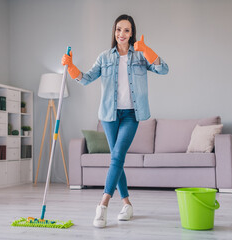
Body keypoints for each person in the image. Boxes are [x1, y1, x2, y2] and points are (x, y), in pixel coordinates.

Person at [62, 14, 169, 228]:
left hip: (132, 115)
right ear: (114, 31)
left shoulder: (139, 56)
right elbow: (86, 79)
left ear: (132, 33)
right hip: (109, 116)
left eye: (127, 30)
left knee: (117, 156)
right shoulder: (104, 57)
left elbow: (163, 69)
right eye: (119, 29)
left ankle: (102, 206)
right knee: (116, 160)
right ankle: (127, 203)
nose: (122, 34)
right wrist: (72, 67)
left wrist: (146, 50)